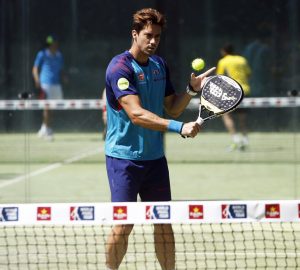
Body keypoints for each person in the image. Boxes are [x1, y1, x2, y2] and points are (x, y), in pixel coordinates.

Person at [104, 8, 215, 270]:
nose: (153, 41)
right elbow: (137, 114)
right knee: (123, 225)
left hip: (155, 161)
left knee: (164, 224)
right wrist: (180, 128)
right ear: (135, 34)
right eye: (148, 35)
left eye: (157, 36)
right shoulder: (119, 67)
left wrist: (190, 91)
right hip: (124, 160)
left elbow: (172, 107)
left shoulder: (159, 65)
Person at [216, 43, 251, 151]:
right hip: (245, 91)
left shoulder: (223, 61)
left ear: (223, 51)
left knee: (226, 115)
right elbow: (249, 74)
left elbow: (219, 78)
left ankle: (236, 141)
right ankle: (244, 141)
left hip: (231, 92)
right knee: (242, 118)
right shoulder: (242, 60)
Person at [32, 35, 65, 141]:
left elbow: (61, 69)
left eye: (56, 42)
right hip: (45, 84)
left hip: (56, 85)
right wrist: (37, 80)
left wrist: (64, 77)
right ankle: (45, 129)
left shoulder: (59, 55)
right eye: (54, 42)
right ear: (50, 44)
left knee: (53, 108)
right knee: (47, 107)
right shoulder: (42, 54)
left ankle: (45, 128)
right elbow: (35, 69)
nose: (56, 44)